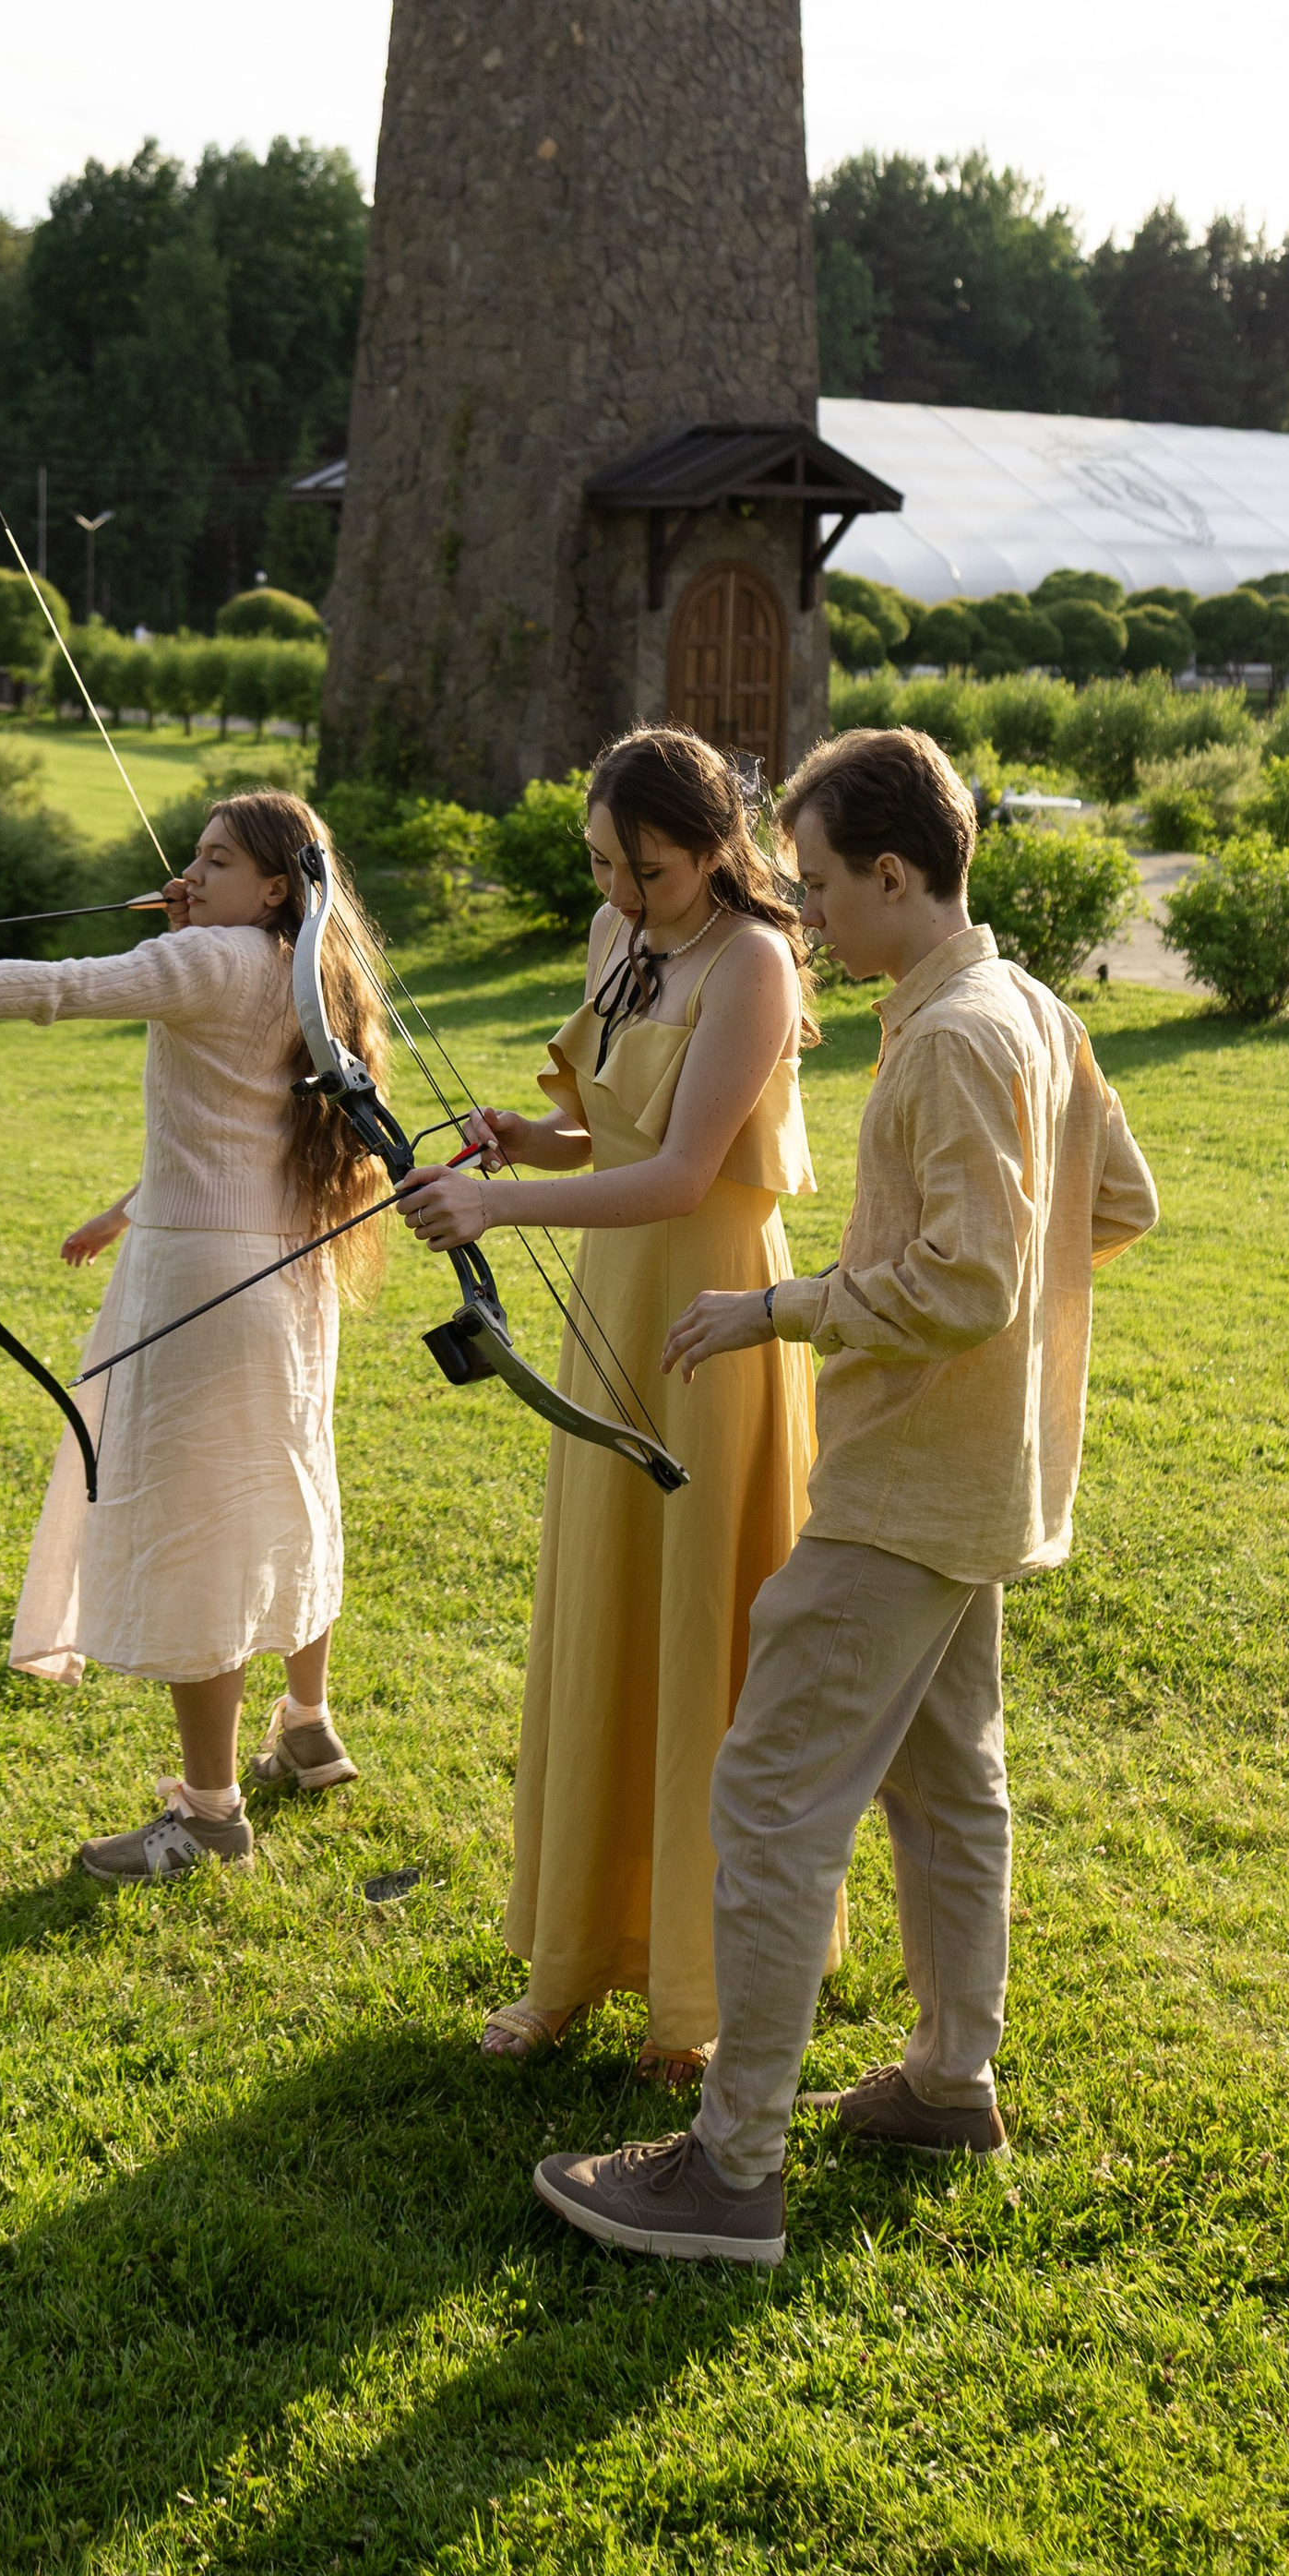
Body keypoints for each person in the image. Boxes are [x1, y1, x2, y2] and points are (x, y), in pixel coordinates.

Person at [530, 726, 1160, 2265]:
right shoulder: (1028, 1005)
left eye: (815, 886)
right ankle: (948, 2084)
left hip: (905, 1489)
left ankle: (729, 2168)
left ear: (894, 874)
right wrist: (992, 1324)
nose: (801, 913)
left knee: (765, 1795)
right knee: (949, 1787)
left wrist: (785, 1306)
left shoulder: (953, 1039)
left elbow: (970, 1278)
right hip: (982, 1483)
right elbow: (1118, 1203)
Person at [0, 788, 389, 1879]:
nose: (189, 876)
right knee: (284, 1492)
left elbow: (63, 987)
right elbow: (239, 1129)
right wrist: (127, 1208)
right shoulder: (307, 963)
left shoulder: (211, 961)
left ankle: (209, 1814)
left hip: (202, 1285)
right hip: (280, 1276)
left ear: (276, 885)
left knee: (198, 1531)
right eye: (194, 858)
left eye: (216, 863)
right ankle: (306, 1726)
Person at [397, 724, 829, 2081]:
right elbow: (613, 1133)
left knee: (698, 1627)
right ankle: (574, 1960)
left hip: (712, 1314)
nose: (623, 892)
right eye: (603, 864)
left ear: (715, 849)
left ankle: (694, 1994)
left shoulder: (754, 960)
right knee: (607, 1617)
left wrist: (495, 1206)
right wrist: (526, 1142)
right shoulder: (615, 934)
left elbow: (689, 1170)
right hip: (613, 1311)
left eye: (649, 869)